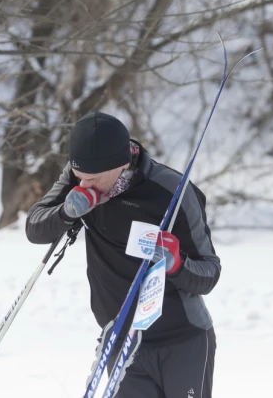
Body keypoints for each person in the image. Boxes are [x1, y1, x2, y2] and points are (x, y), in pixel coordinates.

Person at [25, 111, 221, 398]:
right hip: (121, 342)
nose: (85, 185)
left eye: (93, 179)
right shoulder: (76, 179)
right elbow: (35, 227)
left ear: (120, 164)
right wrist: (66, 212)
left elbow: (210, 273)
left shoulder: (172, 191)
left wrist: (177, 264)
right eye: (80, 177)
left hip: (181, 340)